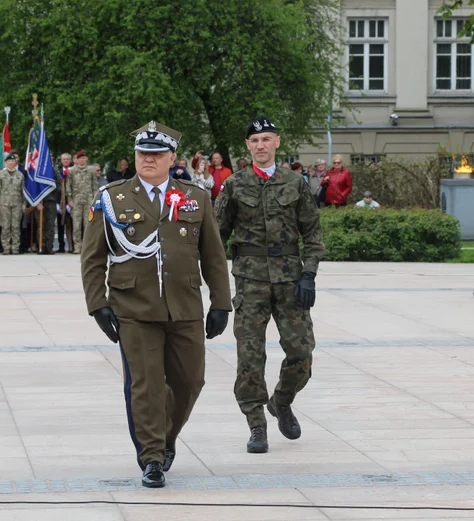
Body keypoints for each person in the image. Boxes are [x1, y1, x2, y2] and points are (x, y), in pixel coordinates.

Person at [81, 122, 232, 488]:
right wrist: (98, 305)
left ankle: (164, 438)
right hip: (133, 308)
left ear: (172, 159)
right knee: (146, 385)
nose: (148, 159)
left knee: (190, 380)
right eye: (142, 154)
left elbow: (213, 254)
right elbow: (92, 258)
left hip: (185, 306)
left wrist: (221, 303)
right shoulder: (112, 197)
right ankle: (151, 458)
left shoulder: (195, 197)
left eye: (156, 154)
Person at [215, 117, 324, 454]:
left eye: (266, 139)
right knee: (250, 356)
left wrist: (309, 274)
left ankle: (282, 399)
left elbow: (313, 234)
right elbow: (216, 236)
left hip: (290, 279)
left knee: (302, 352)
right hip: (250, 280)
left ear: (277, 142)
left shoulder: (296, 182)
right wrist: (214, 284)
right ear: (247, 146)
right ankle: (257, 424)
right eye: (254, 140)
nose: (260, 145)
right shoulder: (234, 185)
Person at [66, 150, 98, 253]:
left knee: (88, 224)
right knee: (76, 225)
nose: (82, 160)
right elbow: (68, 186)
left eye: (84, 158)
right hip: (76, 201)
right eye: (80, 158)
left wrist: (95, 199)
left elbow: (94, 186)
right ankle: (77, 246)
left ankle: (87, 246)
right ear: (76, 160)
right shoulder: (72, 171)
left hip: (89, 200)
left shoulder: (91, 171)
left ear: (86, 159)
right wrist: (69, 199)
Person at [56, 152, 74, 253]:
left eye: (67, 159)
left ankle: (72, 246)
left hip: (71, 202)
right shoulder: (58, 173)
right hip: (60, 202)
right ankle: (61, 246)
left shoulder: (74, 171)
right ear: (61, 161)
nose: (66, 161)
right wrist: (57, 203)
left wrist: (70, 202)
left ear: (70, 160)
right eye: (64, 159)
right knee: (60, 225)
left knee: (71, 225)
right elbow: (56, 188)